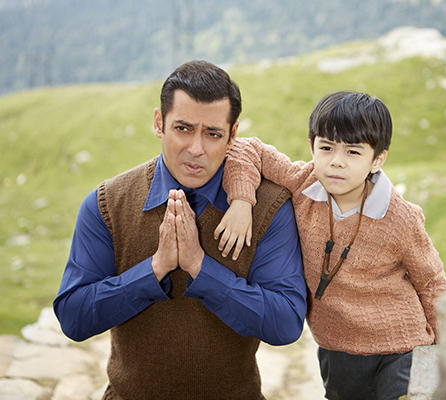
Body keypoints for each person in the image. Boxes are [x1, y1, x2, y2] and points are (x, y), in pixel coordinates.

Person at [53, 60, 307, 400]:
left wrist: (200, 268)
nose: (196, 148)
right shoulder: (107, 204)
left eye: (213, 134)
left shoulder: (269, 207)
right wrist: (155, 269)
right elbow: (74, 318)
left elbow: (286, 323)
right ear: (159, 123)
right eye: (183, 129)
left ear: (233, 135)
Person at [217, 91, 446, 400]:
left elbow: (432, 283)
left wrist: (443, 352)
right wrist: (242, 200)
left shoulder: (401, 218)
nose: (336, 162)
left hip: (402, 347)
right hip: (336, 349)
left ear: (377, 158)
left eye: (353, 152)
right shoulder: (303, 182)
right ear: (311, 146)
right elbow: (246, 148)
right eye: (326, 148)